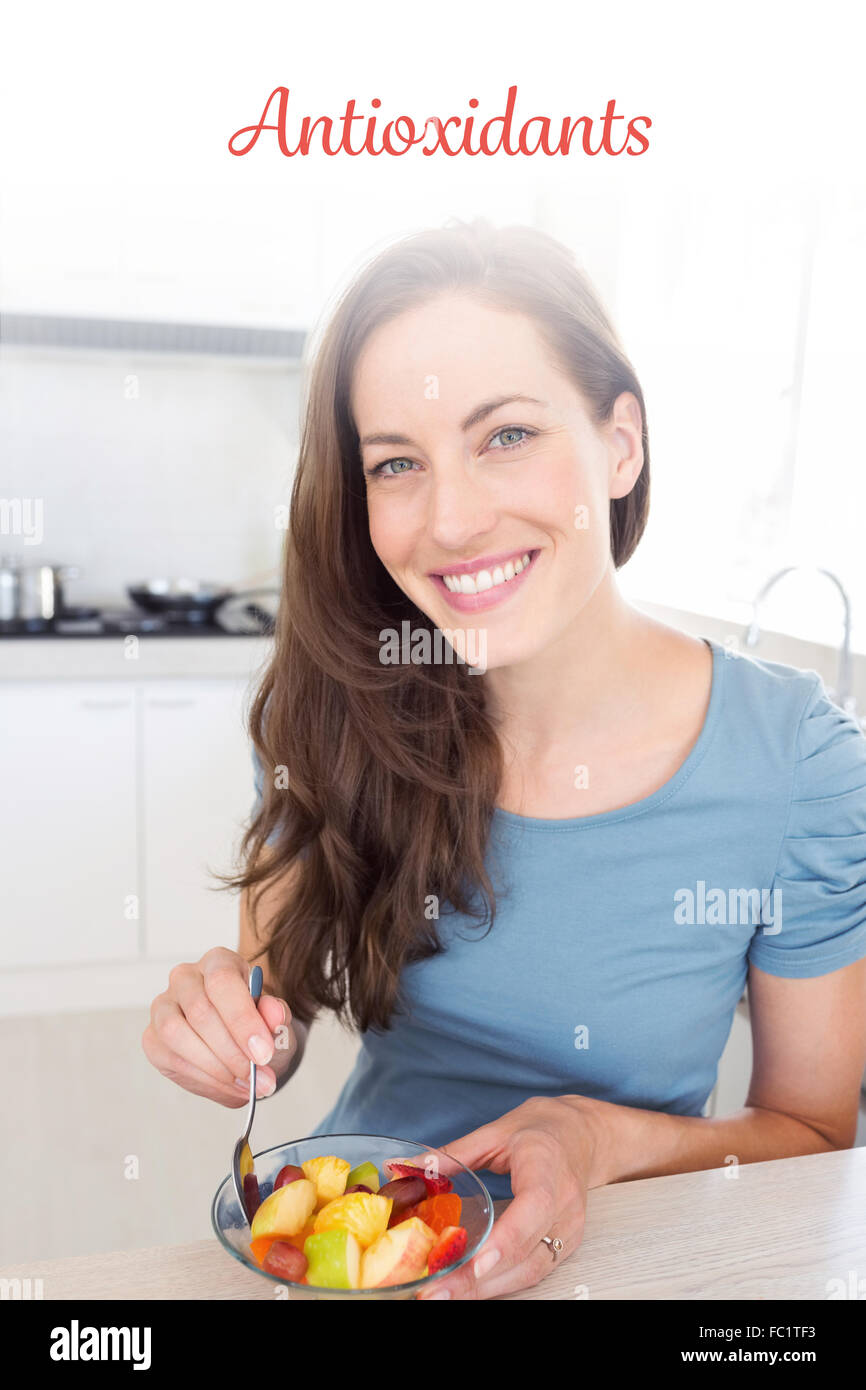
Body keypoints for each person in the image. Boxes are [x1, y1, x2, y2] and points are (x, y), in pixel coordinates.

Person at [142, 219, 866, 1299]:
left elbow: (808, 1132)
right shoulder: (335, 707)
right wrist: (235, 1031)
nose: (452, 519)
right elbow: (276, 1001)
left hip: (629, 1267)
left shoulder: (795, 761)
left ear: (618, 441)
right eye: (396, 462)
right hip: (359, 1248)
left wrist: (587, 1137)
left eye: (506, 435)